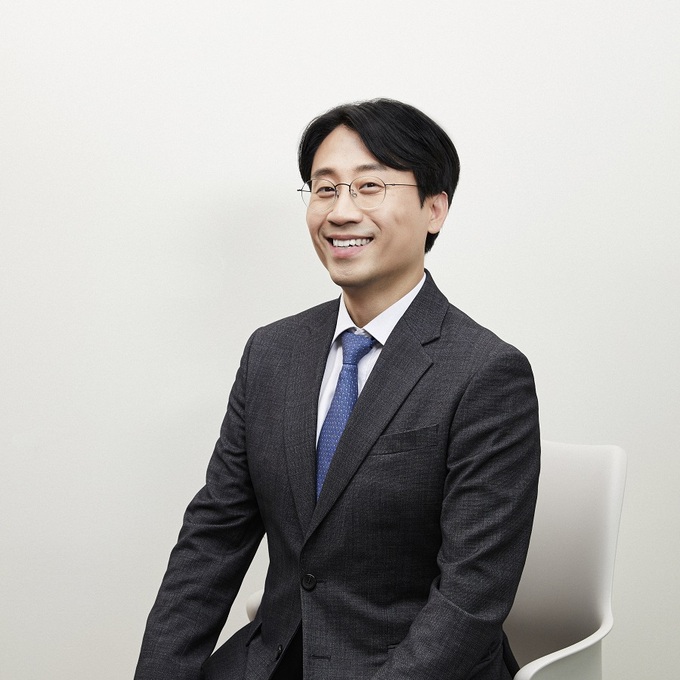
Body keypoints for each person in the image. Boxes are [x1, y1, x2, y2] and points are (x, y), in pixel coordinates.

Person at [134, 98, 540, 680]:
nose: (341, 211)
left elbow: (470, 599)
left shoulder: (486, 373)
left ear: (435, 208)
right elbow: (213, 540)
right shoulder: (272, 352)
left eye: (370, 186)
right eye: (324, 189)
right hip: (278, 656)